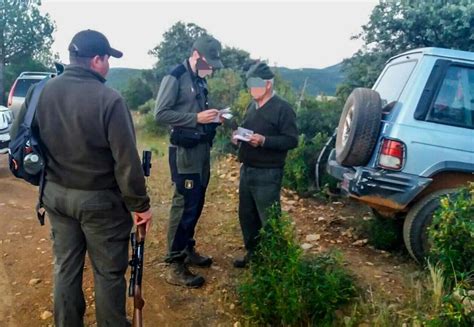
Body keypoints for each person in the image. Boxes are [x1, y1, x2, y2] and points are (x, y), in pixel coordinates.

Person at [11, 29, 152, 327]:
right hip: (100, 203)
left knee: (65, 267)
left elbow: (18, 136)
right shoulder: (109, 99)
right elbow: (126, 162)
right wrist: (140, 205)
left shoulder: (42, 91)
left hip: (56, 196)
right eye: (107, 60)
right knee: (108, 274)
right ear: (96, 60)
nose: (109, 66)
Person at [154, 35, 224, 288]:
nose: (212, 68)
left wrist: (215, 117)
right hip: (184, 152)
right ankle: (174, 261)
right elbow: (160, 113)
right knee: (184, 202)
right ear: (196, 55)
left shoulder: (200, 78)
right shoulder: (175, 76)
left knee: (197, 201)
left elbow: (198, 111)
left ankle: (187, 247)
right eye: (209, 62)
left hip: (201, 150)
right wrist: (196, 118)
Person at [232, 62, 298, 268]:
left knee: (269, 220)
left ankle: (275, 265)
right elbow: (246, 129)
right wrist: (237, 137)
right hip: (247, 170)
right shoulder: (251, 106)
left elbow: (291, 140)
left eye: (254, 85)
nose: (251, 89)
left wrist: (264, 141)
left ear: (267, 84)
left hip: (268, 173)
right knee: (247, 216)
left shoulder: (283, 108)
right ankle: (254, 256)